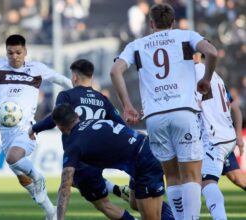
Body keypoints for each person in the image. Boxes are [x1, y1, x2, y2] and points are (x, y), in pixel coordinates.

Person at [110, 3, 218, 219]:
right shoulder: (186, 35)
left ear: (151, 23)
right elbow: (212, 53)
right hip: (183, 112)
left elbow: (115, 71)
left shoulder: (137, 44)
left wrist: (127, 106)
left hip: (155, 118)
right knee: (191, 175)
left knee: (172, 176)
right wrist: (206, 79)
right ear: (172, 22)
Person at [29, 59, 174, 219]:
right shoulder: (102, 100)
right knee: (136, 202)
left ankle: (176, 214)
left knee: (103, 203)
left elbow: (55, 118)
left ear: (75, 77)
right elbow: (121, 125)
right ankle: (119, 189)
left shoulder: (66, 97)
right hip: (139, 149)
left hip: (101, 159)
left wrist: (34, 128)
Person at [0, 34, 73, 220]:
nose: (14, 56)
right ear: (6, 53)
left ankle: (39, 177)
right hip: (5, 132)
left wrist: (78, 92)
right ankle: (50, 211)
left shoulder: (36, 69)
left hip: (26, 129)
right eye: (10, 53)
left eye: (18, 52)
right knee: (22, 178)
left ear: (25, 51)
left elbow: (61, 80)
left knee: (13, 158)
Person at [52, 103, 165, 220]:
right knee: (134, 203)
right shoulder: (93, 121)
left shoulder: (73, 145)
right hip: (145, 149)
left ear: (59, 127)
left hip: (144, 161)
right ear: (77, 115)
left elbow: (65, 185)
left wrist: (59, 218)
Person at [194, 53, 240, 219]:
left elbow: (193, 106)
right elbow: (231, 104)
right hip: (225, 134)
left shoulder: (195, 73)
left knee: (207, 183)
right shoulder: (214, 75)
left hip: (214, 139)